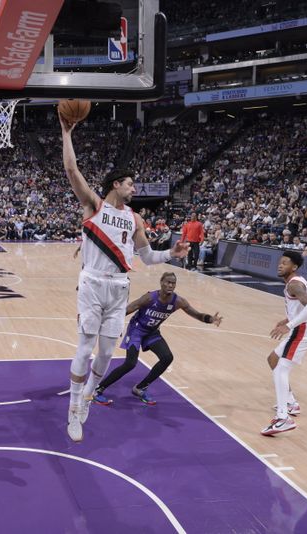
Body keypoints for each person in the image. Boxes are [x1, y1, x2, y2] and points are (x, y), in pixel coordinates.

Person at [59, 113, 189, 442]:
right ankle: (74, 410)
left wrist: (169, 255)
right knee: (85, 346)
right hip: (92, 283)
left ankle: (88, 395)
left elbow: (146, 257)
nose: (134, 188)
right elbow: (72, 171)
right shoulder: (94, 205)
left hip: (119, 287)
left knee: (105, 354)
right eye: (130, 183)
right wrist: (66, 133)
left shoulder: (135, 219)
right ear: (116, 184)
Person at [92, 272, 222, 406]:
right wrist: (108, 323)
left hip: (152, 332)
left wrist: (210, 319)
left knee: (167, 357)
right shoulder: (149, 298)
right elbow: (129, 309)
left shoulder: (178, 301)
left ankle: (140, 388)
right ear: (161, 282)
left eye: (173, 283)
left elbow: (196, 314)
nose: (171, 285)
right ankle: (98, 389)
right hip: (136, 330)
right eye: (168, 282)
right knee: (130, 363)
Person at [263, 250, 307, 436]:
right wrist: (287, 318)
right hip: (305, 327)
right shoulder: (294, 283)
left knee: (282, 369)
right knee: (273, 359)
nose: (280, 265)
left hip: (305, 329)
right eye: (280, 262)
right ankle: (291, 403)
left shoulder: (294, 284)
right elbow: (302, 306)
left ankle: (283, 419)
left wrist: (289, 325)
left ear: (294, 267)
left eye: (285, 263)